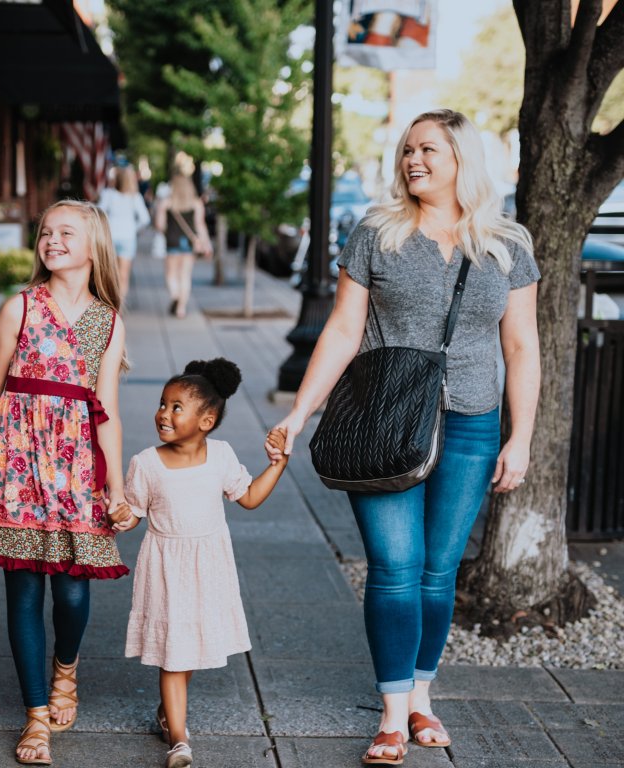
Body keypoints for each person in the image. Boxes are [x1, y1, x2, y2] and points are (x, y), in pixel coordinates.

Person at [266, 109, 540, 766]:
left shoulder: (507, 242)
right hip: (385, 419)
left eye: (428, 149)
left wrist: (521, 435)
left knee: (438, 572)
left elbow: (523, 345)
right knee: (393, 568)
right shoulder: (376, 233)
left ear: (461, 159)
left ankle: (421, 697)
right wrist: (300, 411)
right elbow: (339, 330)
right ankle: (391, 715)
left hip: (471, 423)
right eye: (407, 150)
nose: (413, 160)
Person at [0, 200, 128, 765]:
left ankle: (66, 668)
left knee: (74, 591)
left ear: (92, 245)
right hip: (16, 462)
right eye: (45, 232)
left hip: (77, 463)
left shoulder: (108, 321)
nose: (51, 240)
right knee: (25, 589)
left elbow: (107, 406)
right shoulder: (19, 308)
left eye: (65, 232)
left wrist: (118, 487)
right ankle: (36, 716)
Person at [112, 359, 289, 768]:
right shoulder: (147, 463)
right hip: (166, 569)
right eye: (162, 403)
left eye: (176, 407)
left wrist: (277, 465)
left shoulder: (222, 457)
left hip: (207, 567)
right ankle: (179, 740)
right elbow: (133, 514)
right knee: (175, 654)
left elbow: (248, 497)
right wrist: (119, 516)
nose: (163, 412)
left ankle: (166, 712)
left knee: (187, 652)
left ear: (206, 420)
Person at [154, 173, 212, 318]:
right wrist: (206, 244)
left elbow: (159, 225)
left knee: (171, 274)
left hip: (172, 242)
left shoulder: (166, 202)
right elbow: (200, 226)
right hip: (189, 243)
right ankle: (181, 308)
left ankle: (175, 295)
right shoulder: (196, 203)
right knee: (185, 275)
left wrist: (167, 229)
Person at [98, 165, 150, 305]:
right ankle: (119, 306)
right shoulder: (135, 197)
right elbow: (145, 219)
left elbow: (99, 213)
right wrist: (134, 228)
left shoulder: (108, 194)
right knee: (123, 275)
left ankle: (110, 302)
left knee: (109, 273)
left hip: (111, 237)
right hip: (128, 238)